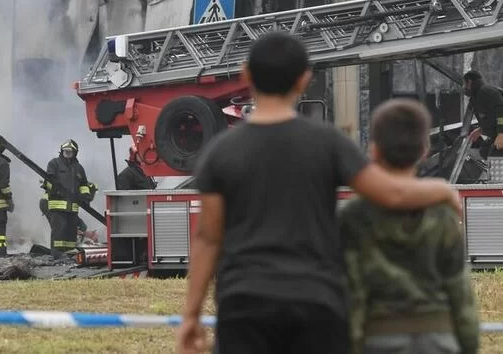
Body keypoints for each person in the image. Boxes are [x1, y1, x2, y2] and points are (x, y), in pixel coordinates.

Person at [176, 32, 462, 354]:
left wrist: (191, 314)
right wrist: (442, 190)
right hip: (317, 300)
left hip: (244, 302)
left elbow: (208, 238)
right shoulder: (327, 142)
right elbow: (390, 194)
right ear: (304, 80)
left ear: (246, 75)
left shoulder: (219, 152)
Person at [341, 99, 479, 354]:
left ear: (374, 151)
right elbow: (459, 292)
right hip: (439, 340)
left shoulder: (355, 215)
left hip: (378, 339)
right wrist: (468, 345)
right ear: (424, 150)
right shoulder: (442, 215)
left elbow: (353, 293)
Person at [43, 139, 93, 258]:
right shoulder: (54, 163)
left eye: (70, 152)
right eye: (65, 151)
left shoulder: (79, 168)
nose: (67, 153)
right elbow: (48, 181)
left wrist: (86, 197)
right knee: (59, 230)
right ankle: (56, 254)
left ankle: (69, 252)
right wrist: (53, 188)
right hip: (57, 205)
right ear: (61, 151)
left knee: (71, 231)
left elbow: (83, 185)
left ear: (75, 152)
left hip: (73, 207)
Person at [464, 70, 503, 158]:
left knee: (495, 156)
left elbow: (501, 112)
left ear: (469, 82)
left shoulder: (486, 92)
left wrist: (501, 134)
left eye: (464, 84)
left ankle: (497, 171)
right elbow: (491, 117)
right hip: (496, 134)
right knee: (485, 150)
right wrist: (481, 129)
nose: (464, 87)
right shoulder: (477, 96)